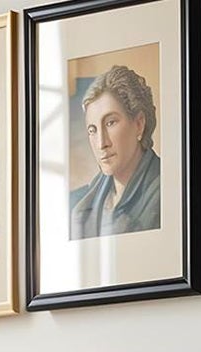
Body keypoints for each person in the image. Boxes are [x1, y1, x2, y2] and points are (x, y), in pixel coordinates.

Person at [69, 65, 161, 239]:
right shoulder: (79, 204)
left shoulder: (166, 191)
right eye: (92, 130)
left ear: (139, 124)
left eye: (110, 123)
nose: (101, 143)